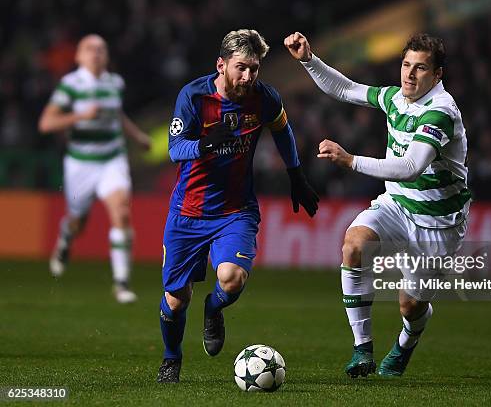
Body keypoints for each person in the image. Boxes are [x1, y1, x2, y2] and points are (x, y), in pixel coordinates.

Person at [285, 31, 471, 377]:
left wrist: (350, 160)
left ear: (437, 75)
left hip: (438, 221)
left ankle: (405, 344)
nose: (409, 75)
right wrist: (309, 60)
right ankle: (362, 350)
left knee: (411, 305)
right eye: (405, 65)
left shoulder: (441, 113)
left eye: (420, 69)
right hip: (396, 205)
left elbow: (410, 167)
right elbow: (346, 89)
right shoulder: (396, 98)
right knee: (354, 245)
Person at [156, 29, 319, 383]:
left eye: (255, 68)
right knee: (175, 299)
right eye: (241, 68)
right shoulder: (194, 96)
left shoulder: (263, 98)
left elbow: (282, 129)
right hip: (189, 212)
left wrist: (296, 175)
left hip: (235, 210)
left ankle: (213, 310)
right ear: (222, 64)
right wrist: (204, 145)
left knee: (230, 279)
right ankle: (172, 358)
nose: (248, 76)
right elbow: (174, 149)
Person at [39, 34, 151, 304]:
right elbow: (46, 123)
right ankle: (66, 236)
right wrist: (80, 116)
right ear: (78, 56)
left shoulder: (115, 82)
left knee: (122, 212)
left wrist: (137, 137)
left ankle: (121, 283)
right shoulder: (70, 85)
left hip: (112, 159)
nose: (96, 53)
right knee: (78, 223)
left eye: (101, 49)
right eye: (90, 49)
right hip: (80, 164)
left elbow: (117, 115)